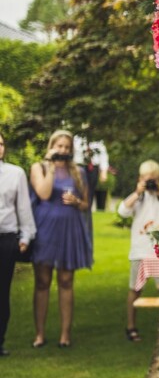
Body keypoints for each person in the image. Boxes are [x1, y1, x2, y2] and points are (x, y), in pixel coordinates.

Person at [29, 130, 92, 348]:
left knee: (66, 281)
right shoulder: (39, 167)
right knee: (42, 281)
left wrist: (76, 201)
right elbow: (44, 194)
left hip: (69, 229)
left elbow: (86, 205)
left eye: (67, 147)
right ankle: (40, 334)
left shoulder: (79, 172)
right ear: (52, 146)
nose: (63, 150)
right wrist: (51, 166)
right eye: (60, 146)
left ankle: (65, 335)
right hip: (46, 229)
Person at [116, 160, 159, 342]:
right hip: (140, 250)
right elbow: (122, 211)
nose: (151, 183)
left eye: (154, 180)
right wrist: (138, 192)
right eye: (148, 180)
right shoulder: (137, 198)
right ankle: (131, 326)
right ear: (140, 179)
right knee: (135, 289)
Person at [0, 131, 36, 357]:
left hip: (6, 239)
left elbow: (23, 207)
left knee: (2, 292)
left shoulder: (15, 174)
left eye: (1, 143)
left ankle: (0, 340)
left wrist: (25, 237)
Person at [74, 135, 109, 211]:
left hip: (92, 169)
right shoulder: (76, 137)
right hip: (78, 167)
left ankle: (87, 214)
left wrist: (103, 171)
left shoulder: (98, 140)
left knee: (89, 194)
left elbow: (103, 155)